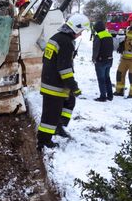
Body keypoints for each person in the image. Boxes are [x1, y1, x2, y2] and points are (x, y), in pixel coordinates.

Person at [37, 13, 90, 151]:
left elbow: (47, 59)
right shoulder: (65, 42)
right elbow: (64, 69)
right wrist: (74, 87)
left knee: (69, 102)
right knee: (50, 116)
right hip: (55, 86)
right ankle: (43, 141)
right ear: (76, 28)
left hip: (52, 81)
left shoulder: (56, 37)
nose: (81, 34)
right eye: (81, 31)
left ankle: (58, 127)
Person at [92, 20, 114, 102]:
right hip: (109, 60)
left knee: (101, 79)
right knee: (107, 78)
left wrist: (94, 58)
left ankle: (103, 96)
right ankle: (110, 95)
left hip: (100, 61)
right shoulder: (109, 34)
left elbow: (95, 49)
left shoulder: (98, 36)